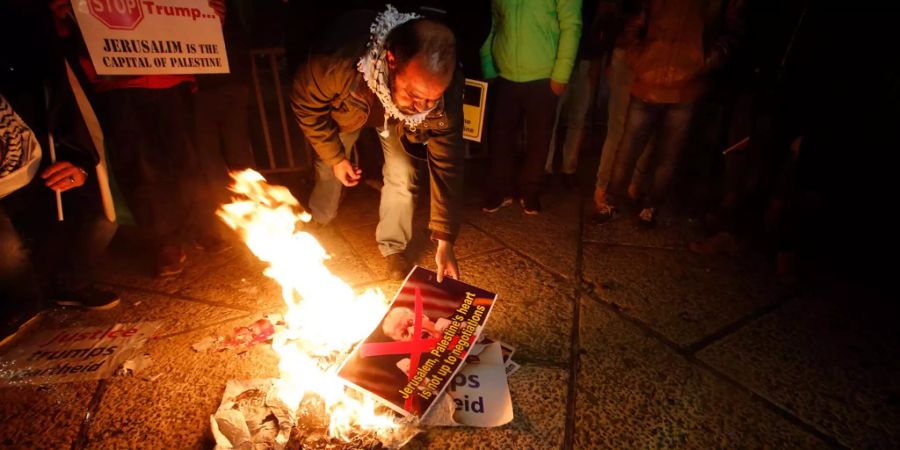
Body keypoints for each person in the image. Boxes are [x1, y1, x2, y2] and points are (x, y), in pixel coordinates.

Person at [291, 6, 465, 281]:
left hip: (395, 122)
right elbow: (305, 105)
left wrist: (446, 240)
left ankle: (393, 247)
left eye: (432, 99)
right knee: (328, 166)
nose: (423, 107)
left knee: (405, 174)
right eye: (414, 94)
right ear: (392, 60)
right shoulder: (336, 64)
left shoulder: (445, 89)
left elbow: (447, 160)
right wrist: (336, 157)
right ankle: (318, 221)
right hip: (349, 107)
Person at [593, 0, 743, 227]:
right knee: (627, 150)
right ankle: (612, 201)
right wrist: (637, 57)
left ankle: (651, 206)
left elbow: (732, 30)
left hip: (685, 89)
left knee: (668, 155)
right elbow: (636, 20)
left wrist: (706, 60)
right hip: (648, 81)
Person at [480, 0, 582, 215]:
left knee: (539, 139)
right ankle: (500, 189)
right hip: (505, 73)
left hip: (544, 75)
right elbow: (492, 23)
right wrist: (488, 64)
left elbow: (571, 26)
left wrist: (561, 73)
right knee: (500, 137)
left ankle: (530, 191)